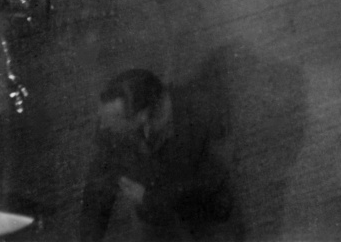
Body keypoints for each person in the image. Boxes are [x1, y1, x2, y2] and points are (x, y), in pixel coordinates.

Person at [80, 69, 238, 242]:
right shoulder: (113, 129)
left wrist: (150, 198)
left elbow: (213, 191)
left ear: (142, 116)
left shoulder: (200, 118)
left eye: (110, 120)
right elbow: (97, 193)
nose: (102, 126)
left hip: (207, 221)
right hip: (155, 224)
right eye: (102, 117)